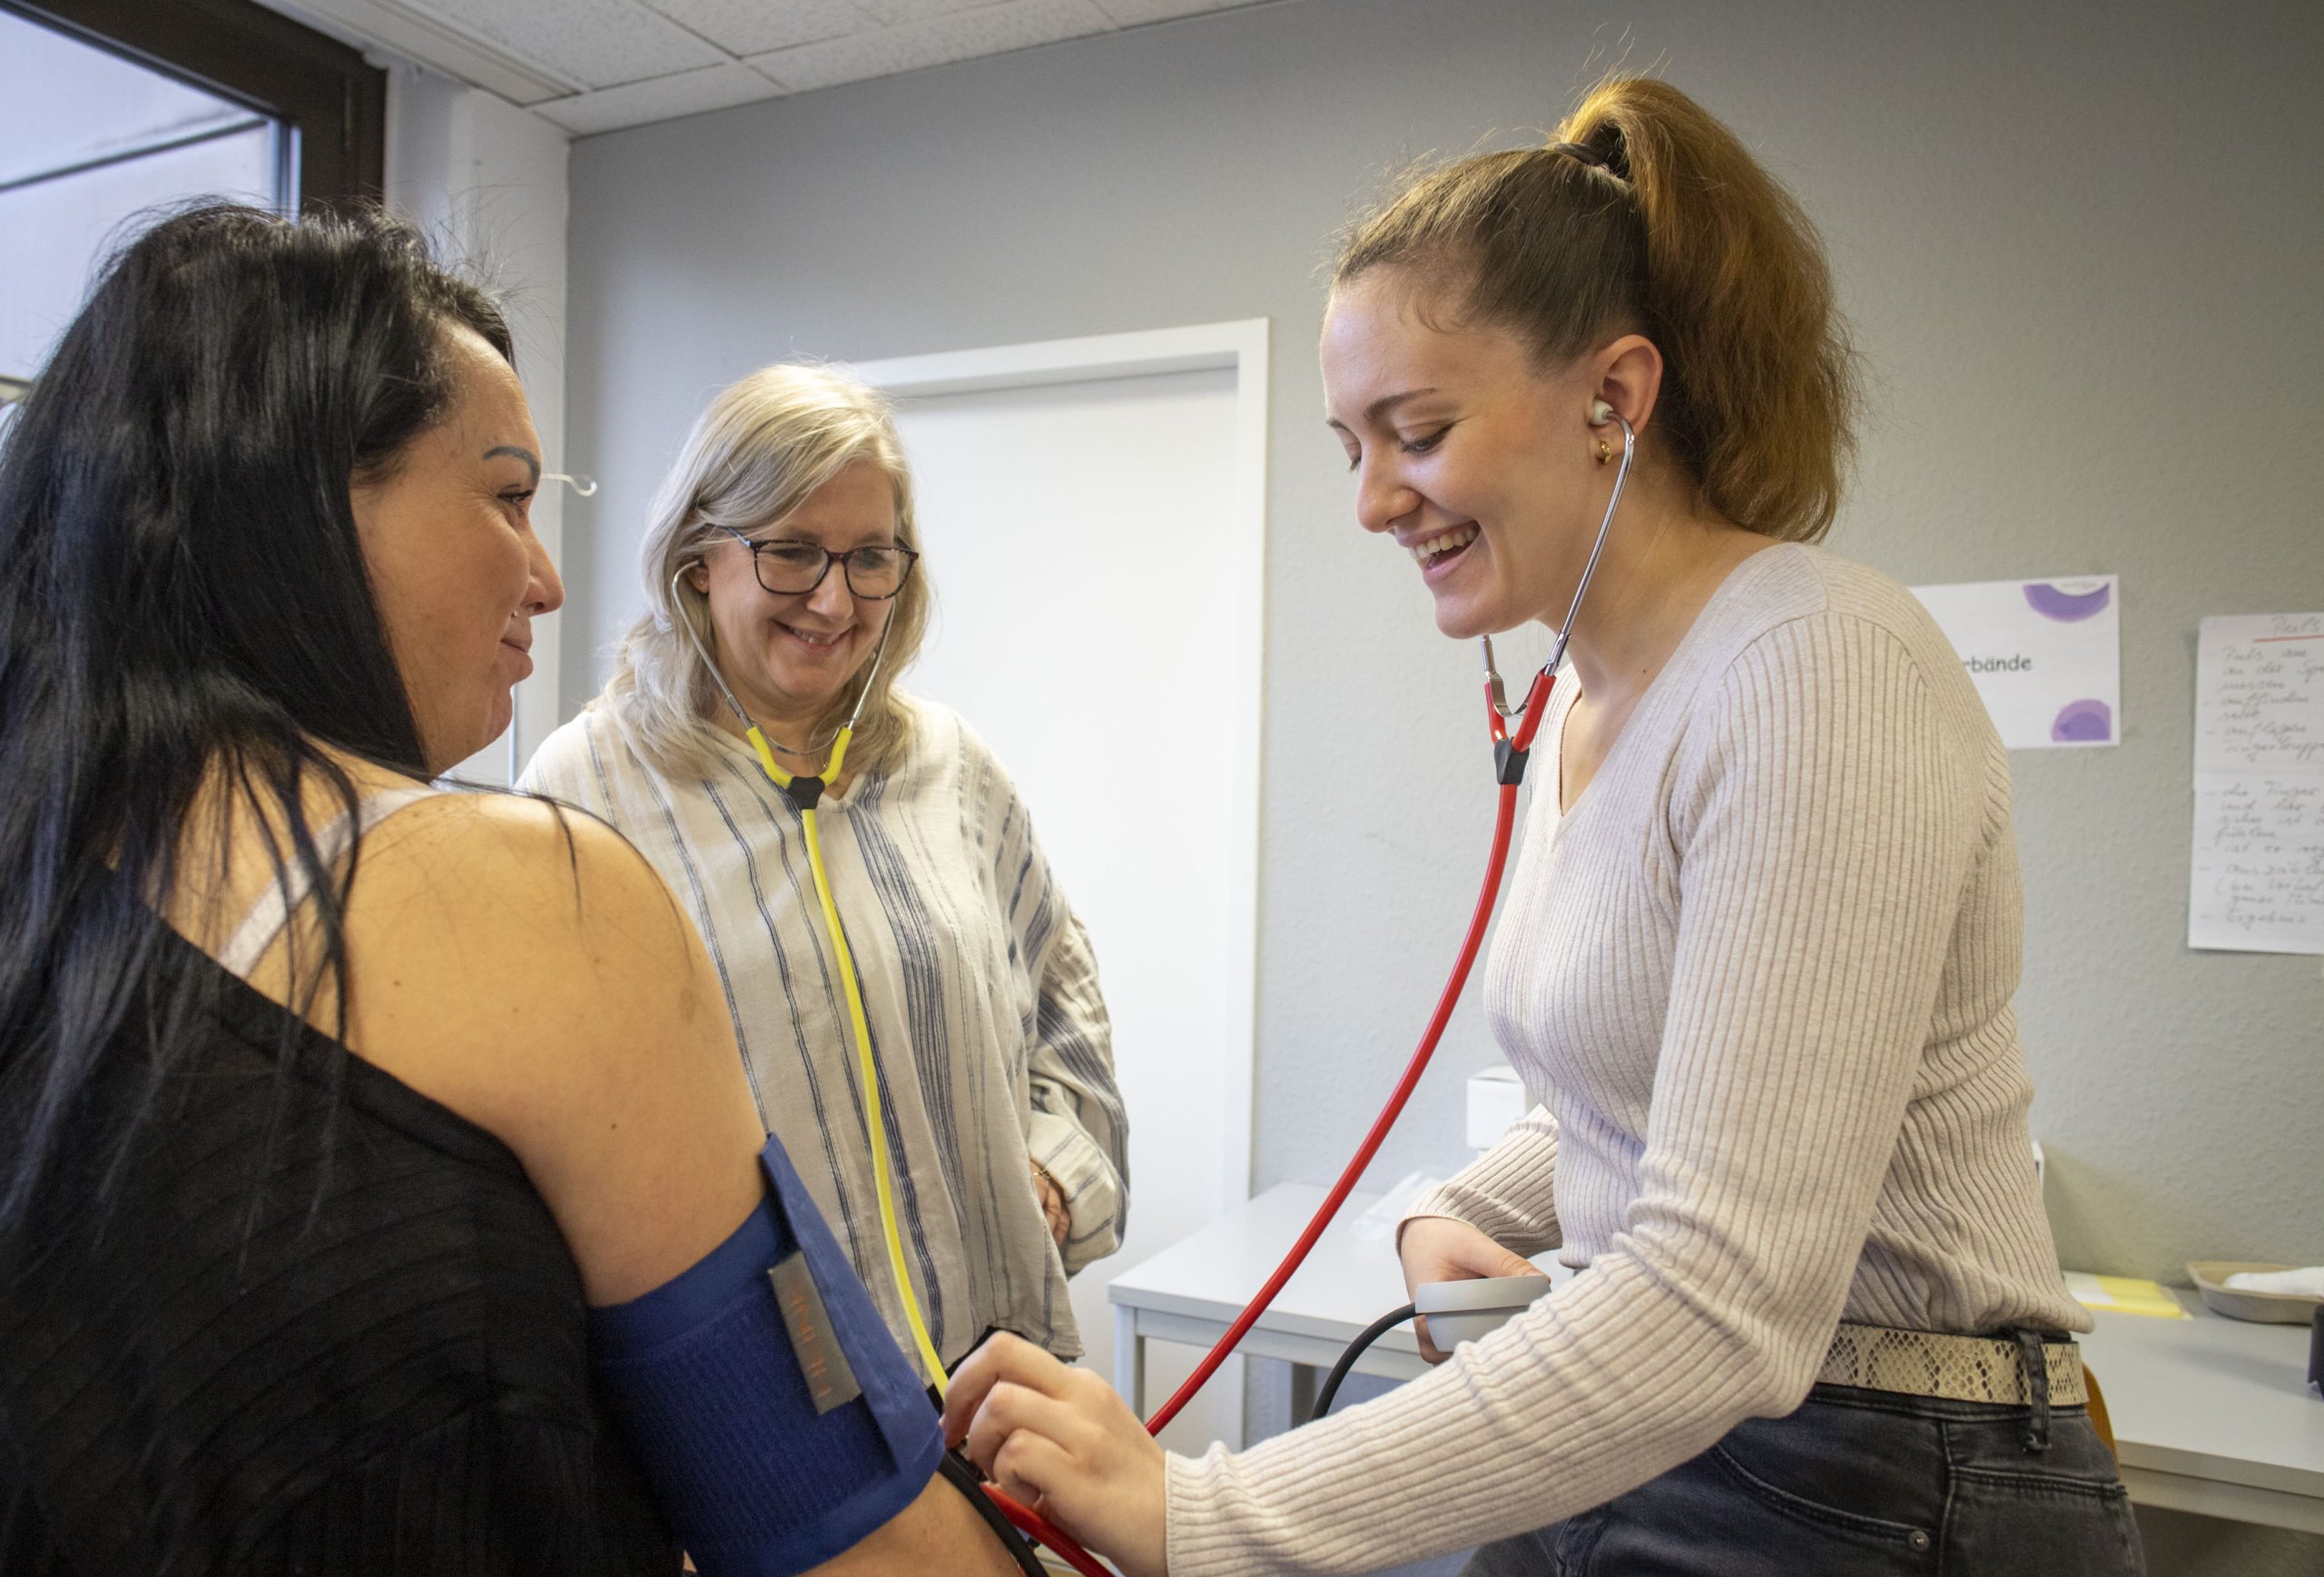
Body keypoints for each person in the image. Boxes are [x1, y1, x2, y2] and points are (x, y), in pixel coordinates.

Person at [938, 76, 2144, 1577]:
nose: (1375, 499)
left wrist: (1212, 1513)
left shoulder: (1817, 667)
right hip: (1691, 1435)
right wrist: (1442, 1205)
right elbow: (1617, 1096)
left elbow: (1720, 1298)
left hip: (1884, 1466)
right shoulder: (1589, 701)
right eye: (1348, 445)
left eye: (1419, 430)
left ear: (1613, 399)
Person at [0, 205, 1028, 1577]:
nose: (543, 575)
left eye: (874, 557)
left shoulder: (51, 879)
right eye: (503, 492)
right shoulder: (530, 876)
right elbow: (835, 1520)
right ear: (297, 500)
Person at [520, 364, 1128, 1375]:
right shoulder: (584, 792)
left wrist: (1056, 1173)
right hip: (764, 1413)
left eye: (870, 558)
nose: (835, 599)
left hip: (998, 1381)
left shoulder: (949, 766)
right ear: (698, 558)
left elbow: (1064, 1003)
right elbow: (551, 1134)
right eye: (793, 552)